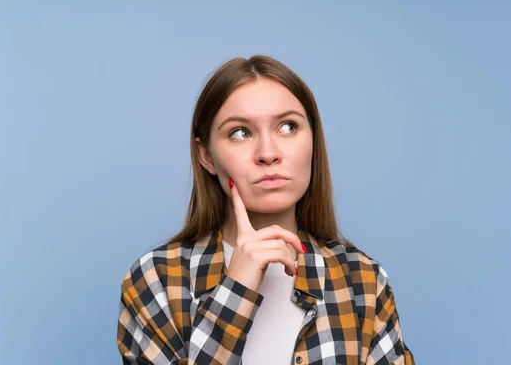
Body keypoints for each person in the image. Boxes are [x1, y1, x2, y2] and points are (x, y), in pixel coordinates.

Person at [116, 55, 415, 365]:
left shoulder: (363, 281)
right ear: (206, 155)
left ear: (313, 140)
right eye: (240, 133)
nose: (268, 154)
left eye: (288, 127)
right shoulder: (156, 280)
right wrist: (237, 287)